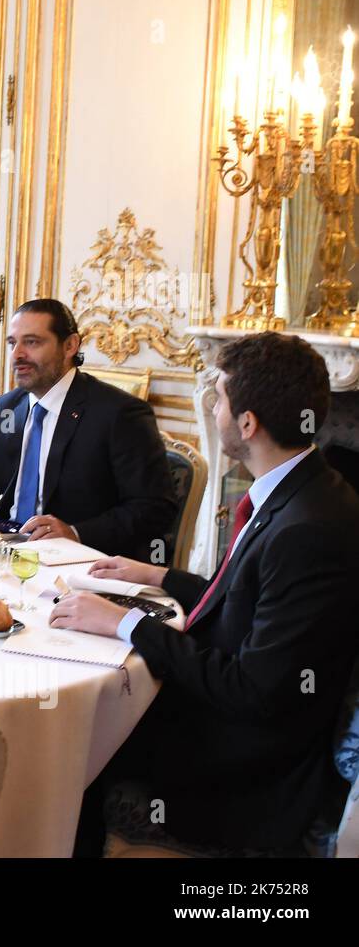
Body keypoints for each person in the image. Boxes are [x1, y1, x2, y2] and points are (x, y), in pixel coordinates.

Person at [53, 332, 359, 853]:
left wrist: (124, 623)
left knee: (70, 744)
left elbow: (254, 690)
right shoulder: (306, 485)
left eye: (218, 398)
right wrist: (156, 577)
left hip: (248, 769)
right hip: (238, 722)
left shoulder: (306, 529)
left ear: (247, 423)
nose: (212, 408)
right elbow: (246, 595)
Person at [0, 298, 175, 559]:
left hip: (80, 562)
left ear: (70, 345)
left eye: (32, 342)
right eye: (13, 343)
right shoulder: (5, 408)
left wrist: (75, 532)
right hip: (2, 549)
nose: (17, 355)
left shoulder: (120, 414)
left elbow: (155, 508)